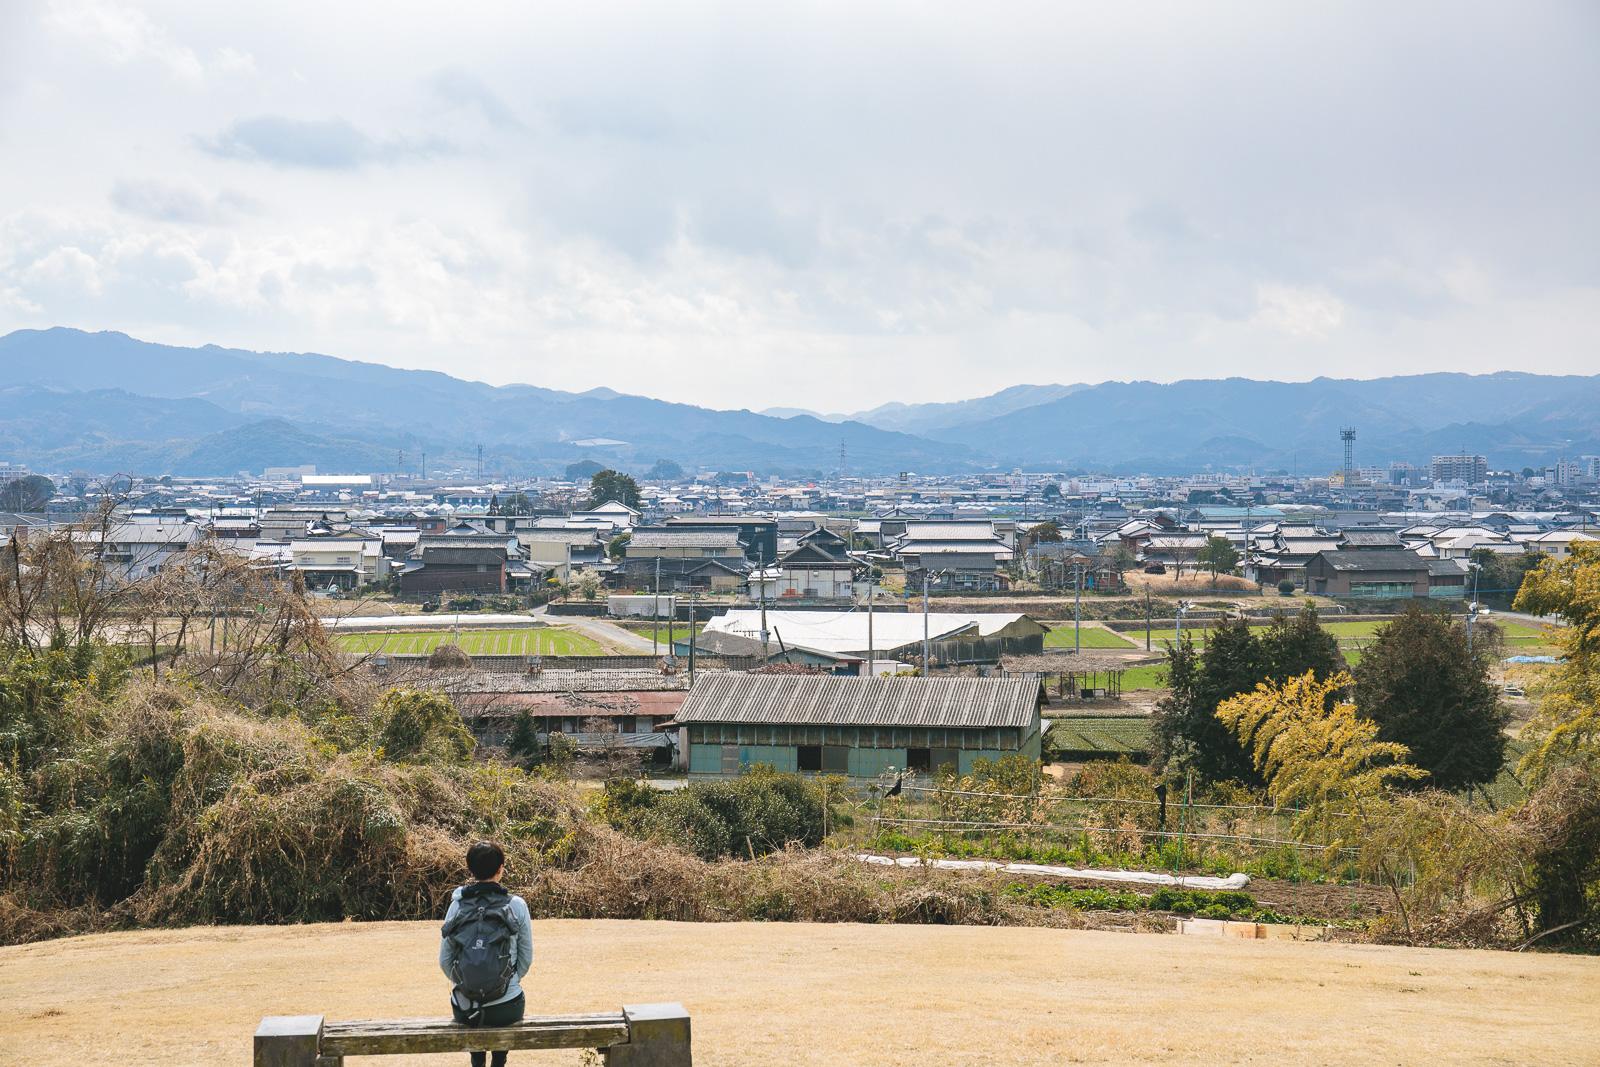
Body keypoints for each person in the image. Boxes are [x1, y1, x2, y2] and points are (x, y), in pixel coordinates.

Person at [439, 841, 533, 1067]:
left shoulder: (457, 906)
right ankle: (499, 1061)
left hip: (466, 1008)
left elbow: (445, 960)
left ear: (470, 868)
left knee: (474, 1017)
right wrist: (508, 981)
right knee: (505, 1009)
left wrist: (469, 982)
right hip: (507, 1006)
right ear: (501, 868)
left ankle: (477, 1060)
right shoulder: (517, 905)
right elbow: (525, 958)